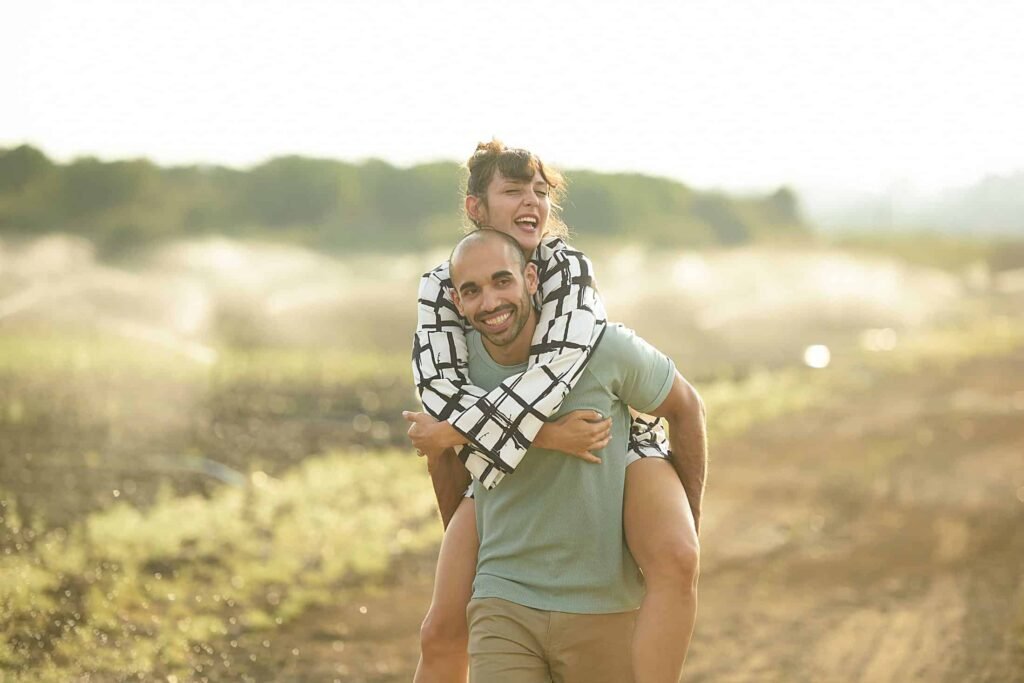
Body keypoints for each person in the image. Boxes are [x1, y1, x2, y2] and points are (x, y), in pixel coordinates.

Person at [405, 141, 707, 683]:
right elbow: (446, 411)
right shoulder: (445, 296)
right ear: (476, 208)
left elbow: (576, 378)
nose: (532, 202)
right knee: (441, 628)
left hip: (615, 437)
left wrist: (458, 430)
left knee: (677, 557)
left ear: (527, 281)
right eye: (513, 191)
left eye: (541, 192)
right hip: (492, 450)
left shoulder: (568, 275)